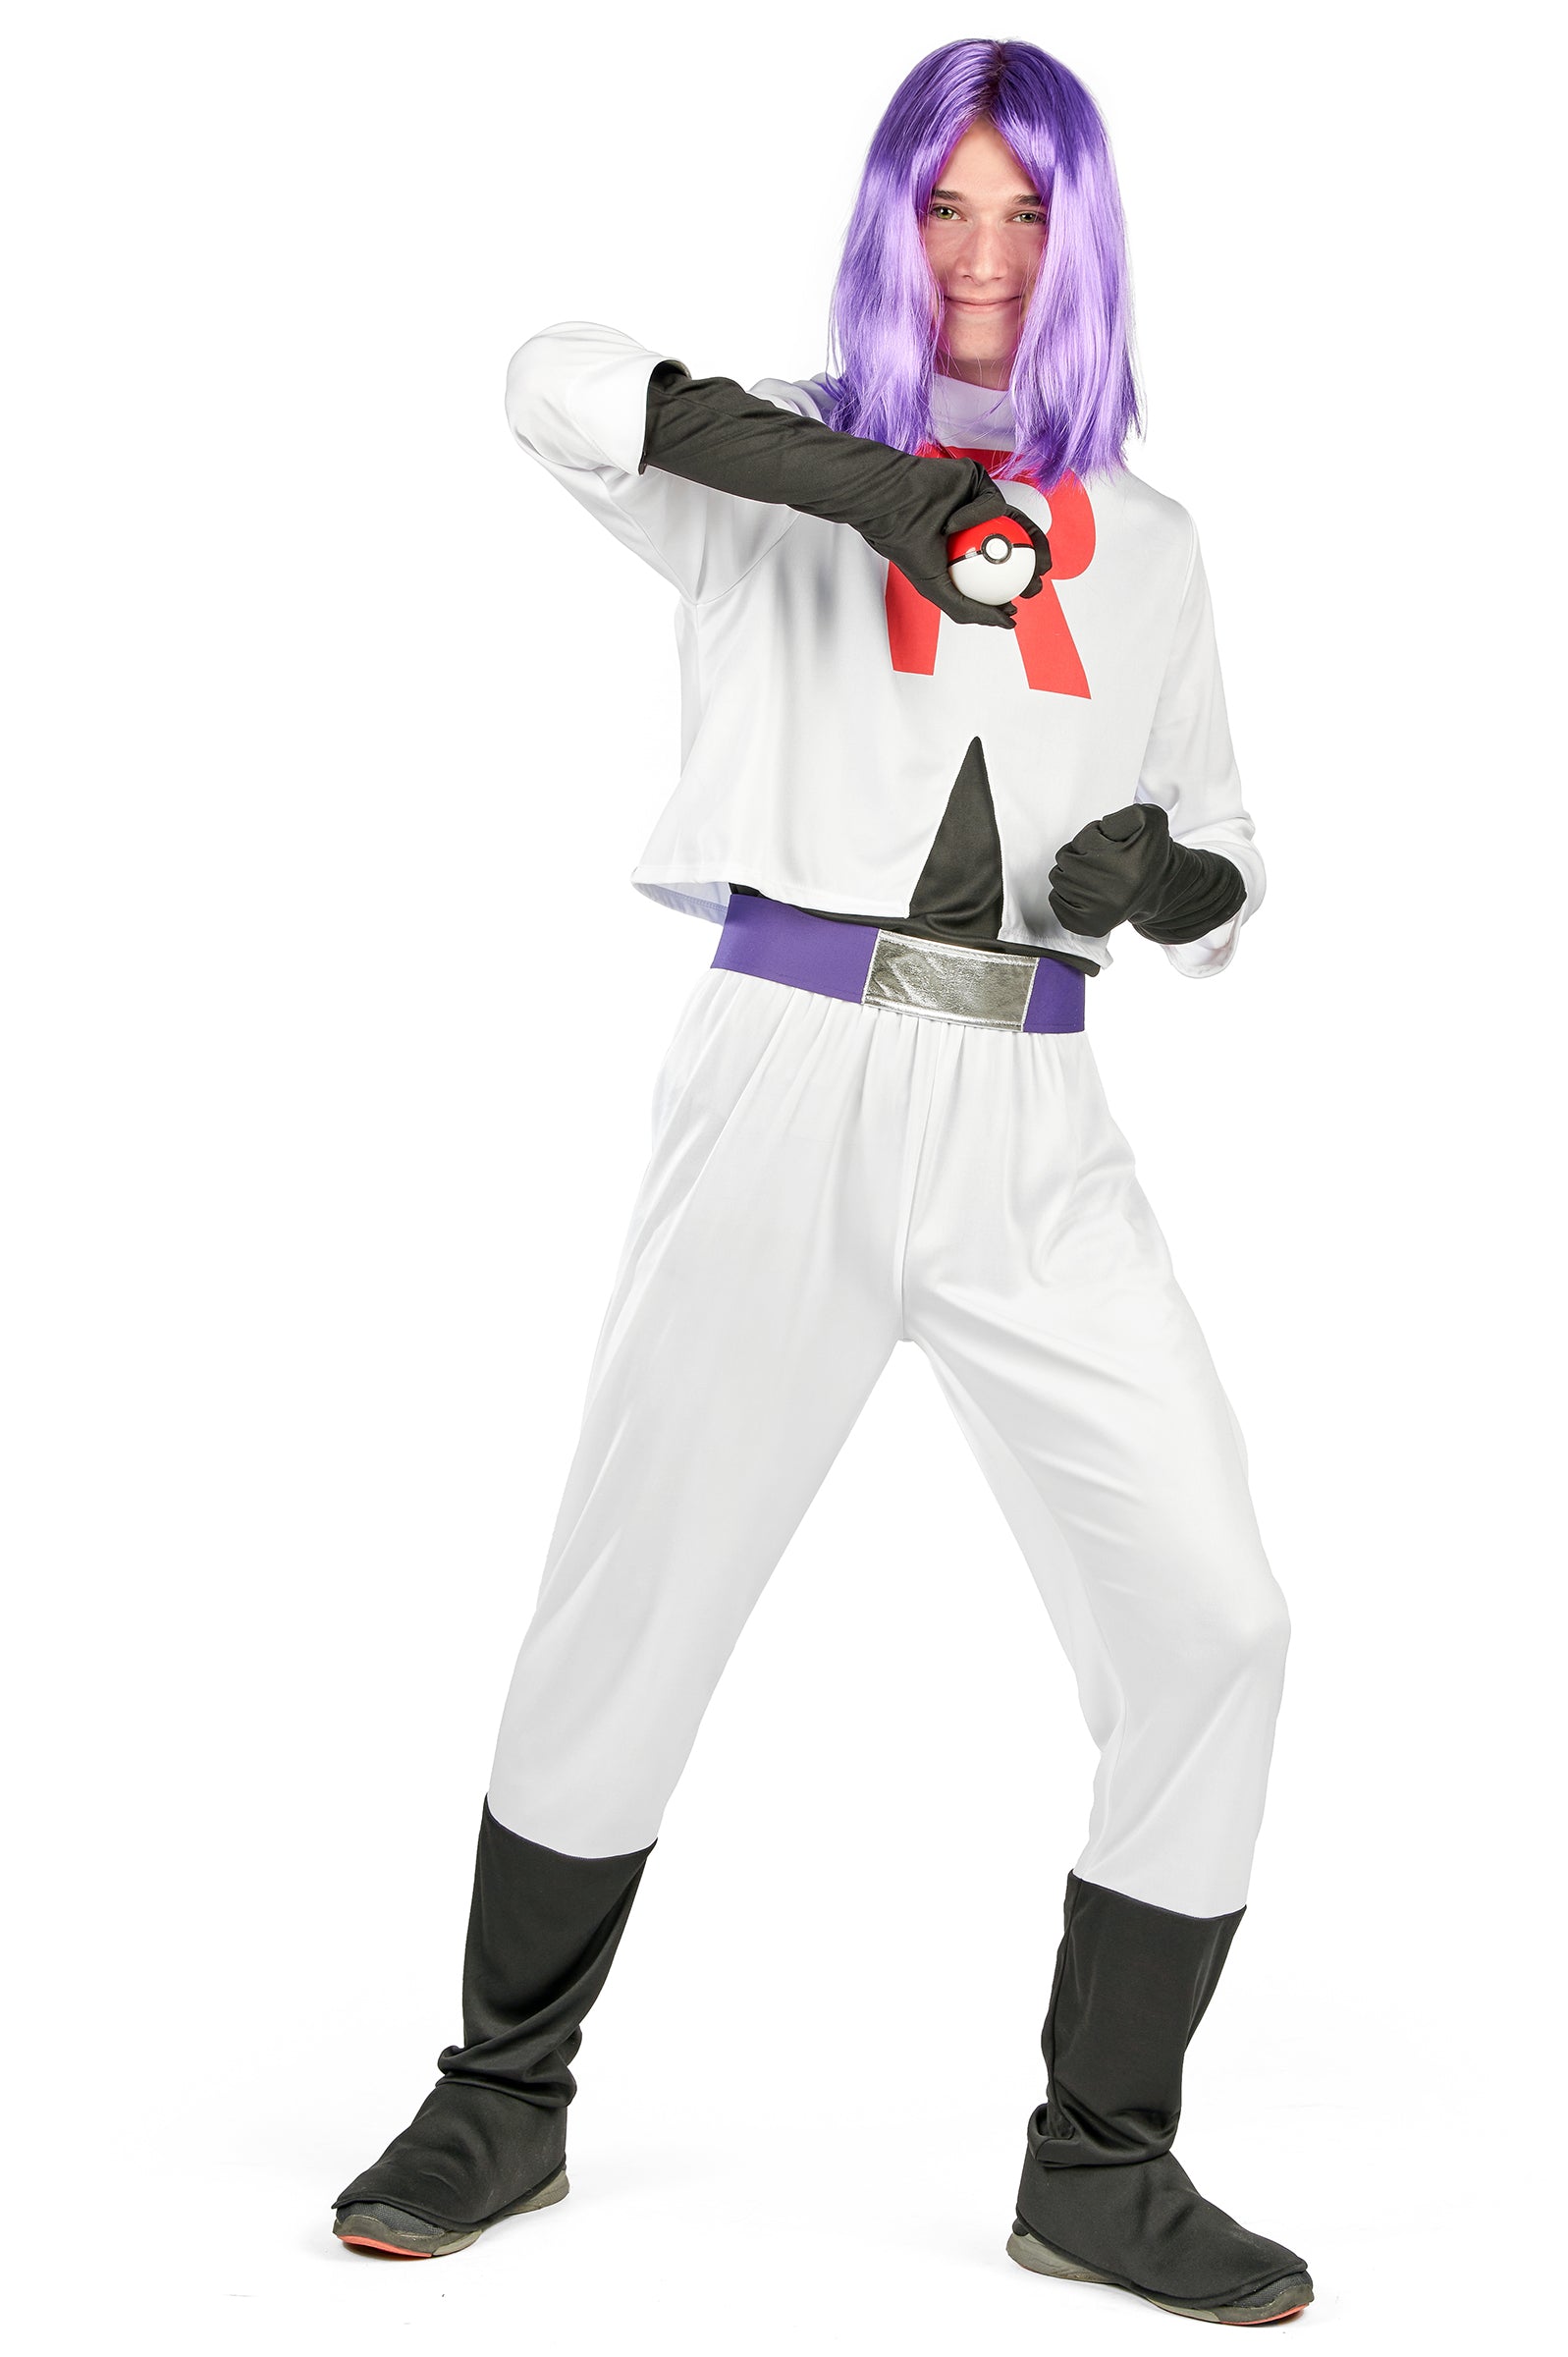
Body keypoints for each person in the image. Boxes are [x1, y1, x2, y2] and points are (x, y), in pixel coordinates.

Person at [332, 36, 1313, 2329]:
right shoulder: (756, 467)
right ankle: (502, 2092)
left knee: (1215, 1618)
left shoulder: (1149, 546)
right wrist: (866, 489)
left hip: (1036, 1116)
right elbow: (553, 378)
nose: (982, 259)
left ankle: (1104, 2159)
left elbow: (1230, 849)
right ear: (890, 222)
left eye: (1027, 215)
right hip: (786, 1074)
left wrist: (1172, 881)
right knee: (638, 1587)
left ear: (1082, 242)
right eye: (944, 209)